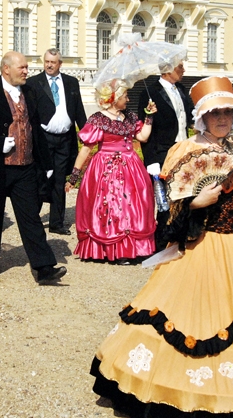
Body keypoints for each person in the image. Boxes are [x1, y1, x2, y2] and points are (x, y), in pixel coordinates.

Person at [90, 76, 233, 417]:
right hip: (202, 244)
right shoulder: (187, 150)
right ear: (202, 119)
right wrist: (198, 201)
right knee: (187, 311)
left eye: (227, 112)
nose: (222, 119)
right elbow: (169, 208)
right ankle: (167, 384)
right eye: (215, 114)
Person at [0, 51, 67, 285]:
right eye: (22, 67)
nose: (26, 71)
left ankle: (44, 267)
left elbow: (35, 129)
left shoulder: (30, 92)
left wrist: (46, 164)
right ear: (6, 69)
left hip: (25, 167)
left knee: (31, 217)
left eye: (27, 67)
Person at [65, 79, 156, 263]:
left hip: (131, 168)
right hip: (105, 169)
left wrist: (149, 116)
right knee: (110, 207)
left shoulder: (129, 117)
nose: (128, 99)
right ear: (113, 98)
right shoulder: (98, 119)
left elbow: (143, 136)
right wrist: (73, 176)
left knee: (131, 207)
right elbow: (85, 150)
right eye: (125, 96)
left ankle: (129, 249)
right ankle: (110, 250)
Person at [26, 48, 87, 235]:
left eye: (53, 62)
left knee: (60, 180)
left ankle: (56, 223)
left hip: (64, 139)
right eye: (46, 62)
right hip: (43, 139)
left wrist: (86, 134)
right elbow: (30, 114)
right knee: (40, 178)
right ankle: (32, 220)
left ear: (60, 63)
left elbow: (78, 110)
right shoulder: (33, 83)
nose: (49, 65)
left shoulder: (71, 82)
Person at [136, 60, 194, 252]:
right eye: (180, 67)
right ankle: (160, 244)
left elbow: (190, 118)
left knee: (183, 197)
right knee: (163, 202)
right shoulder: (150, 92)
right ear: (168, 70)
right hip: (161, 153)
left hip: (183, 151)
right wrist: (151, 160)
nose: (183, 70)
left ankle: (179, 238)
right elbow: (145, 129)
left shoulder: (182, 90)